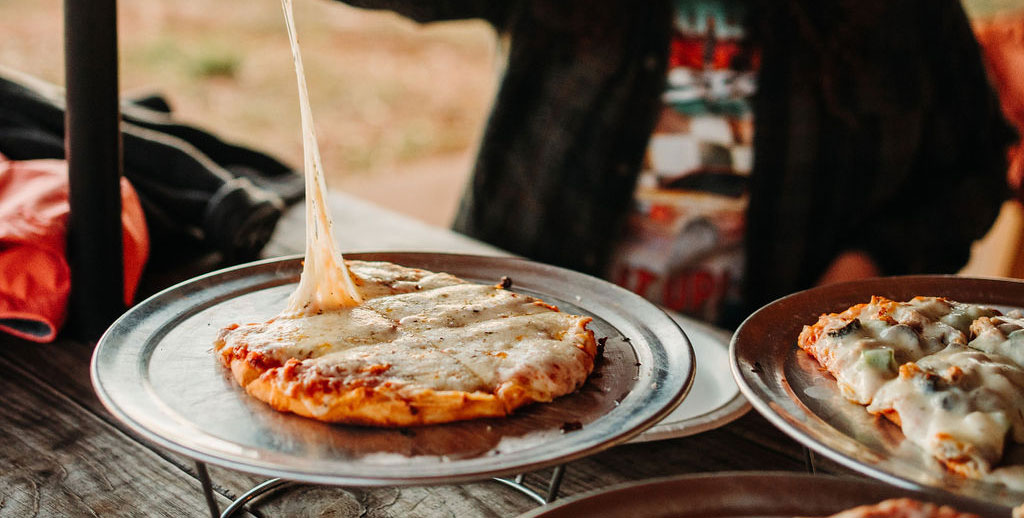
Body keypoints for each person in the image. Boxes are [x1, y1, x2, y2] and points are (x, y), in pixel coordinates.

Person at [338, 0, 1015, 327]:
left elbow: (974, 167)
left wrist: (866, 268)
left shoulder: (906, 15)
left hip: (768, 392)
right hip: (512, 345)